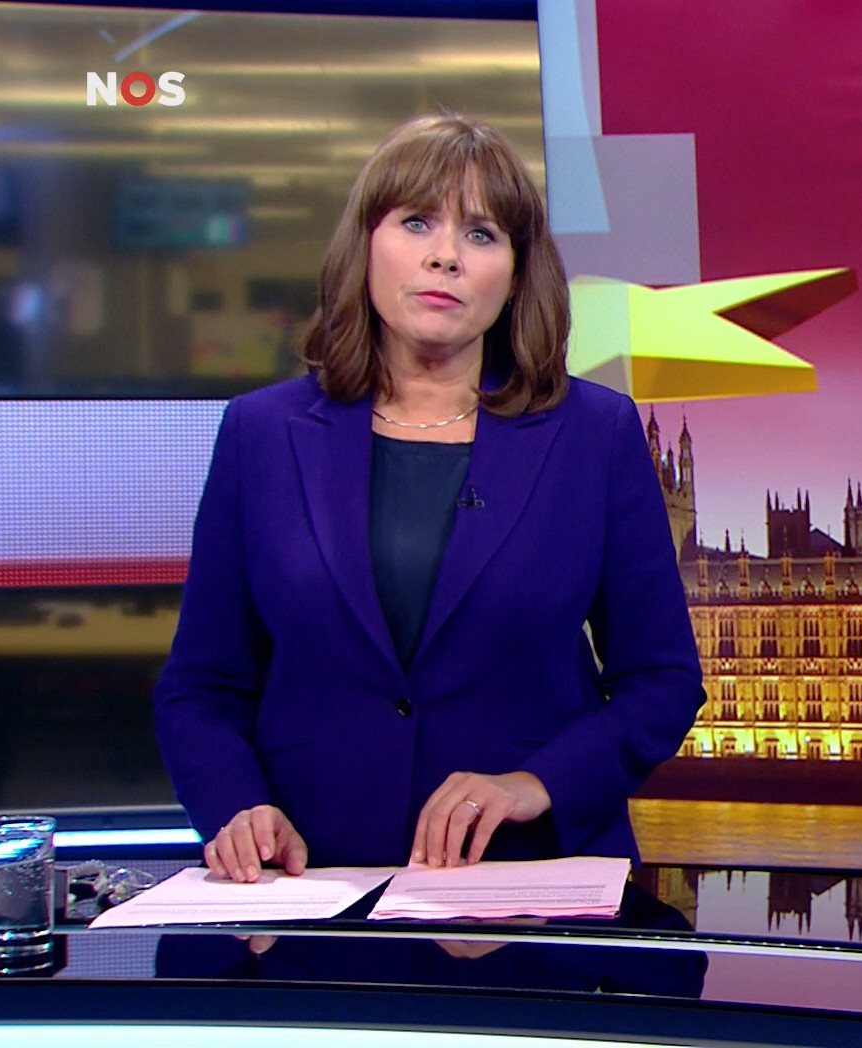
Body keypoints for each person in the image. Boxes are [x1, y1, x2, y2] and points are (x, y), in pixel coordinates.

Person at [154, 113, 704, 885]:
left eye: (481, 234)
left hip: (526, 882)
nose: (445, 255)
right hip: (307, 884)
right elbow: (202, 687)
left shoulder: (594, 434)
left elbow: (661, 680)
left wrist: (538, 783)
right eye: (417, 222)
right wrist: (235, 806)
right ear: (366, 245)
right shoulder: (262, 433)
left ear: (517, 272)